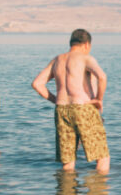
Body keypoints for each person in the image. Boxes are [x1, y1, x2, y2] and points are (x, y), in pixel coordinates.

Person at [31, 28, 110, 174]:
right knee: (102, 158)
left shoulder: (57, 60)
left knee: (68, 162)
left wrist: (56, 100)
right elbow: (102, 77)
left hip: (62, 110)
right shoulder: (86, 58)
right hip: (83, 108)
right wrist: (99, 99)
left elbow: (37, 84)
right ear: (87, 45)